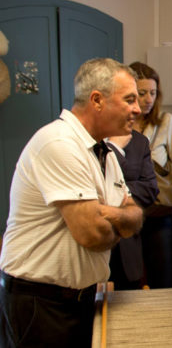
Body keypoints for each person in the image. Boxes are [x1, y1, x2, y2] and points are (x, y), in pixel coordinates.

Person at [0, 58, 143, 347]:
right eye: (129, 99)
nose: (138, 109)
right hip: (41, 303)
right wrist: (118, 221)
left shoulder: (105, 152)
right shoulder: (58, 143)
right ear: (97, 100)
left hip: (78, 298)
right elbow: (92, 234)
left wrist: (111, 215)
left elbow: (136, 214)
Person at [129, 61, 172, 289]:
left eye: (152, 93)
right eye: (141, 93)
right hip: (126, 212)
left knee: (161, 278)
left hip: (158, 212)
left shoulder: (166, 122)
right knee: (131, 278)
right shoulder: (120, 123)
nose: (147, 99)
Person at [107, 128, 159, 290]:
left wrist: (113, 191)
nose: (134, 109)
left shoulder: (139, 141)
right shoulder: (84, 139)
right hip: (93, 248)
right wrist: (113, 149)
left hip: (127, 247)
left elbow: (150, 189)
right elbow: (90, 185)